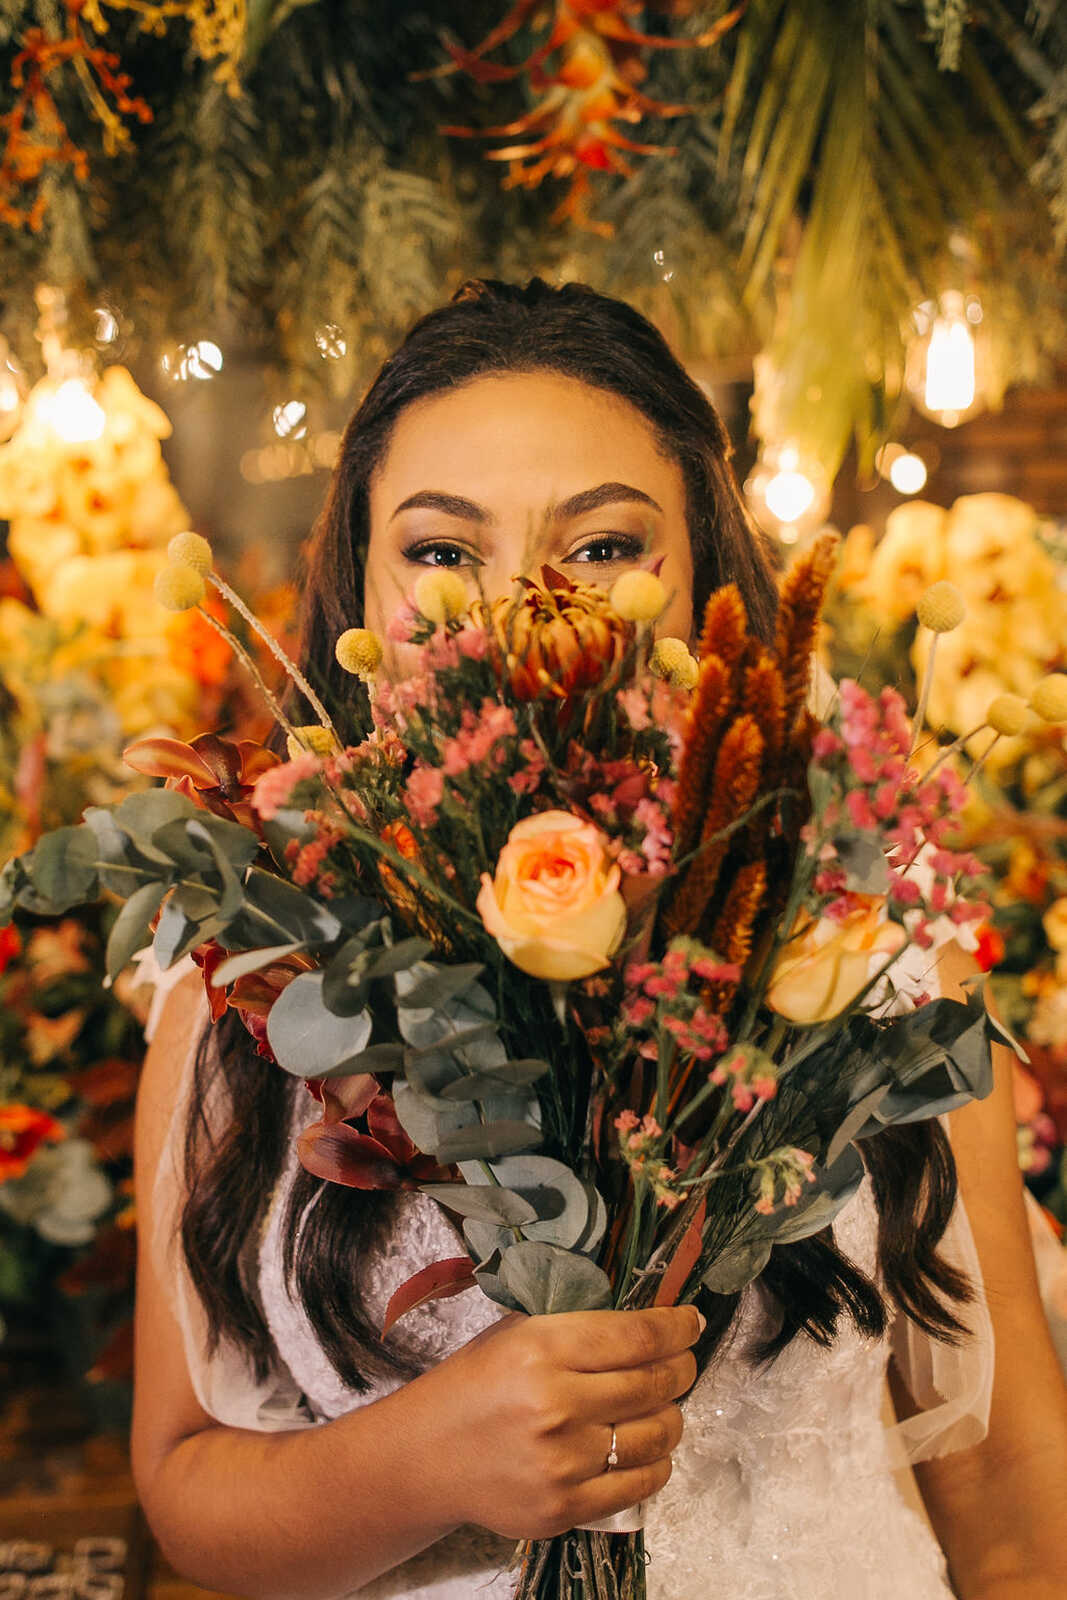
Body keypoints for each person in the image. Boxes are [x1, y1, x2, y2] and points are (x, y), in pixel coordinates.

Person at [130, 279, 1067, 1600]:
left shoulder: (872, 945)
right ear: (360, 582)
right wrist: (432, 1460)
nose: (520, 605)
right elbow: (185, 1483)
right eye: (442, 550)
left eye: (608, 545)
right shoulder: (246, 972)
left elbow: (1016, 1512)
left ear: (704, 583)